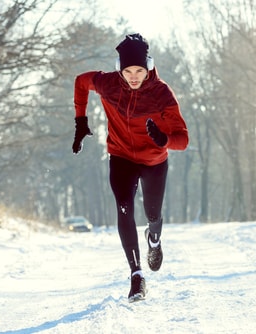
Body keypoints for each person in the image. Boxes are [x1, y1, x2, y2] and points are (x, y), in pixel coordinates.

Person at [72, 33, 189, 302]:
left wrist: (164, 139)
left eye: (139, 70)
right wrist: (80, 121)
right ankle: (137, 275)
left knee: (152, 213)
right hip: (121, 156)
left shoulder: (161, 93)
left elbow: (183, 139)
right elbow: (80, 82)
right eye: (127, 71)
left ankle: (155, 238)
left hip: (154, 161)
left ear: (148, 66)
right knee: (124, 206)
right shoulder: (108, 83)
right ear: (119, 69)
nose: (133, 76)